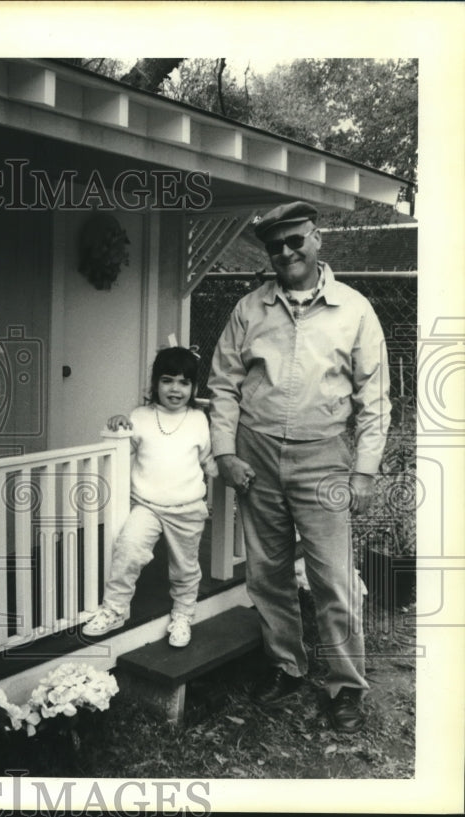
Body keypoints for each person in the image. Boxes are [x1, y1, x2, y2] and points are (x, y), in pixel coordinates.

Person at [207, 200, 391, 733]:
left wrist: (364, 470)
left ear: (317, 240)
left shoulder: (355, 310)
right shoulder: (249, 309)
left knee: (333, 578)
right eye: (275, 246)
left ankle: (347, 686)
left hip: (324, 458)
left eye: (295, 241)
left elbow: (374, 398)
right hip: (256, 456)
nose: (286, 252)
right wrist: (225, 452)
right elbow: (222, 385)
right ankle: (286, 667)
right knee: (267, 575)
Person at [83, 346, 217, 647]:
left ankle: (183, 615)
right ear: (155, 383)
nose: (175, 388)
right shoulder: (140, 416)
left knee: (185, 567)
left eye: (184, 382)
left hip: (187, 508)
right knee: (128, 549)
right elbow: (121, 453)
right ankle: (115, 609)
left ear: (194, 387)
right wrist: (115, 426)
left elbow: (209, 461)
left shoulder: (199, 419)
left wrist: (233, 466)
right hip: (147, 506)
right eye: (167, 380)